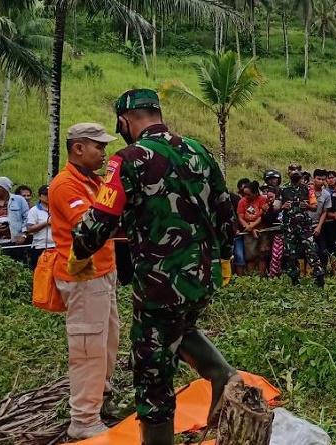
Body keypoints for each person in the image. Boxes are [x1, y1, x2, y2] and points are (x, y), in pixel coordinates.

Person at [66, 90, 239, 444]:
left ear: (125, 121)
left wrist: (80, 250)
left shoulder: (127, 159)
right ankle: (222, 374)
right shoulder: (199, 151)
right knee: (181, 327)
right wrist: (224, 258)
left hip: (160, 283)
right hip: (201, 277)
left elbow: (100, 219)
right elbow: (225, 209)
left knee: (152, 375)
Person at [48, 123, 120, 439]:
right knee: (88, 349)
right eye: (98, 147)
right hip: (84, 278)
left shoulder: (92, 181)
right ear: (79, 148)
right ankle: (84, 421)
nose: (104, 153)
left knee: (106, 343)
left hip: (103, 274)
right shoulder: (66, 185)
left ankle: (100, 400)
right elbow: (89, 225)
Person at [278, 163, 324, 286]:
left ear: (301, 174)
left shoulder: (308, 189)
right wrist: (282, 206)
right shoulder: (282, 189)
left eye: (297, 170)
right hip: (289, 227)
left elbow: (315, 207)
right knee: (290, 254)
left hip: (304, 226)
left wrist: (308, 206)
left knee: (312, 251)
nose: (295, 172)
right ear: (288, 173)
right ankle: (294, 278)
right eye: (292, 170)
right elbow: (275, 207)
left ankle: (319, 278)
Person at [0, 177, 30, 263]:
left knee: (18, 266)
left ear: (6, 188)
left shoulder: (19, 200)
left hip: (16, 242)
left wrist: (23, 235)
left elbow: (27, 218)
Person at [238, 181, 270, 276]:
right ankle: (251, 278)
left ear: (255, 193)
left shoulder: (262, 200)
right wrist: (249, 228)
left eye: (248, 194)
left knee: (263, 256)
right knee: (250, 256)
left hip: (262, 230)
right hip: (248, 231)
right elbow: (240, 217)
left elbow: (261, 216)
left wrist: (251, 226)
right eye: (244, 194)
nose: (246, 196)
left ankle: (261, 277)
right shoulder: (242, 201)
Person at [25, 185, 54, 270]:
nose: (48, 196)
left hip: (56, 245)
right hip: (40, 246)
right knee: (41, 272)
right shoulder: (34, 210)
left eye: (50, 194)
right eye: (45, 194)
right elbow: (29, 229)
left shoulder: (56, 209)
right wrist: (46, 223)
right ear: (39, 196)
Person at [308, 169, 332, 269]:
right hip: (304, 225)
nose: (321, 182)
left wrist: (319, 227)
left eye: (323, 179)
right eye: (318, 179)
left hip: (317, 225)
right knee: (305, 251)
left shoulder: (326, 194)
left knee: (322, 251)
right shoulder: (306, 191)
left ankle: (322, 271)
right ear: (313, 179)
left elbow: (325, 212)